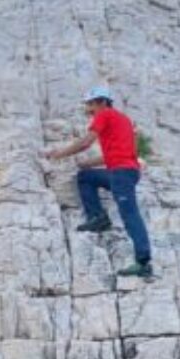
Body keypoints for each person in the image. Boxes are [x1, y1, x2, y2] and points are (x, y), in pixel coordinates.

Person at [44, 87, 153, 278]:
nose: (88, 109)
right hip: (125, 171)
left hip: (121, 174)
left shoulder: (104, 115)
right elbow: (114, 154)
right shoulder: (123, 119)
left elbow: (86, 142)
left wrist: (59, 154)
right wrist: (86, 163)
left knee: (130, 215)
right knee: (86, 177)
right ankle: (97, 218)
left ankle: (143, 262)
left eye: (90, 104)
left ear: (102, 102)